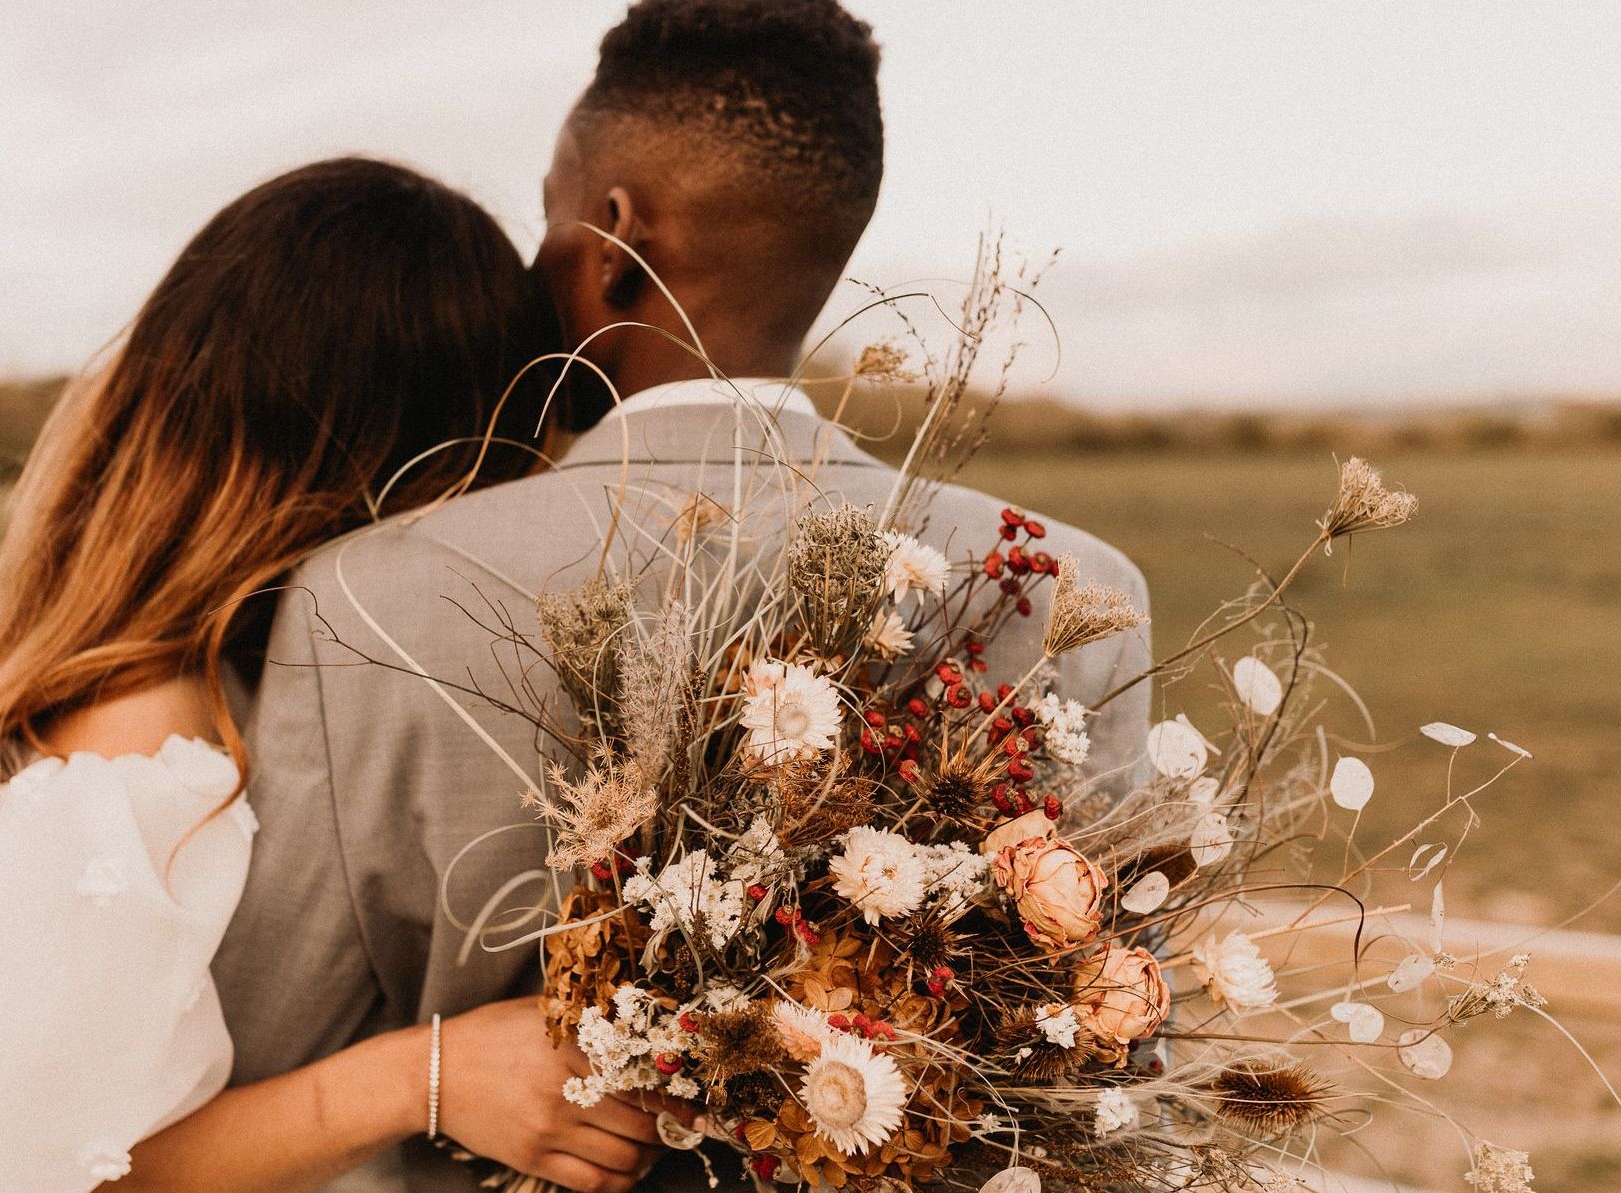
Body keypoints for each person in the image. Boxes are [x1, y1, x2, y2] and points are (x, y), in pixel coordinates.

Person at [207, 2, 1153, 1192]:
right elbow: (1110, 1046)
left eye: (547, 218)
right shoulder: (1078, 593)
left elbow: (254, 1069)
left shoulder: (369, 591)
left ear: (610, 238)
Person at [0, 157, 672, 1193]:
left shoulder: (193, 678)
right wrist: (424, 1074)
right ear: (424, 454)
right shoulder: (150, 734)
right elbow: (23, 1173)